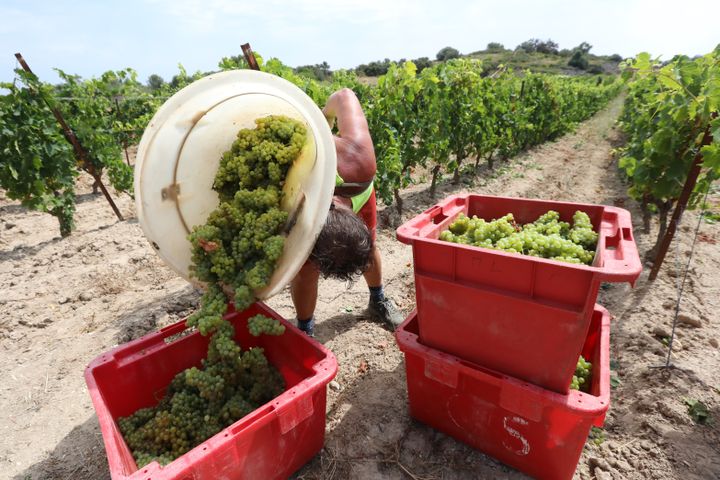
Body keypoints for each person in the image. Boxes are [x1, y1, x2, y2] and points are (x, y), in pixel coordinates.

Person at [290, 88, 403, 336]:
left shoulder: (360, 160)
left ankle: (377, 300)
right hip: (301, 195)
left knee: (368, 245)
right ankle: (305, 330)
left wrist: (325, 117)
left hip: (358, 190)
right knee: (306, 268)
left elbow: (343, 95)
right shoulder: (287, 196)